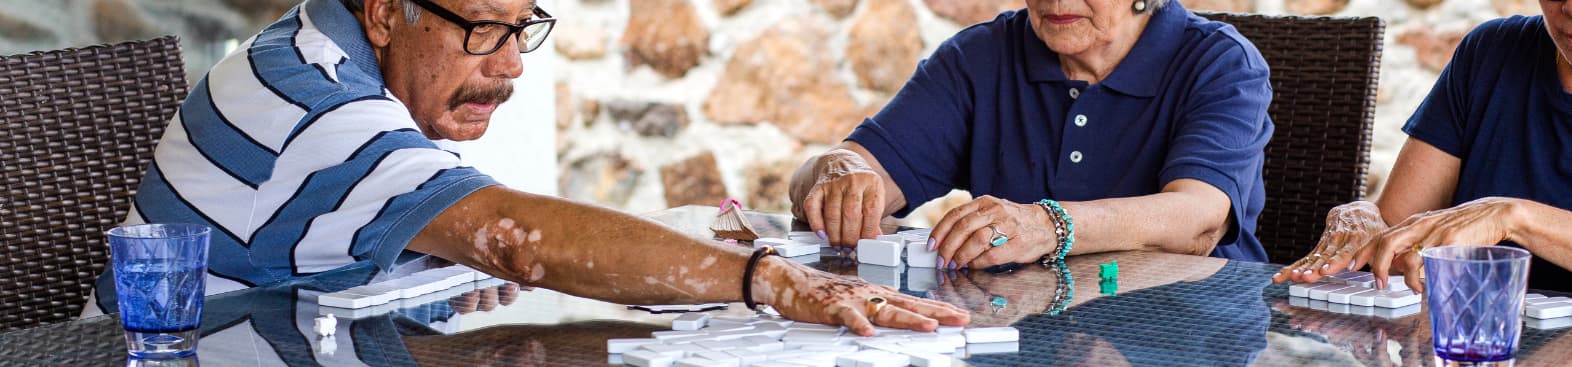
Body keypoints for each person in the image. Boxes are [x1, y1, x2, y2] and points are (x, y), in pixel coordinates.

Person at [83, 0, 968, 336]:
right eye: (481, 31)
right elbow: (518, 241)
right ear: (387, 13)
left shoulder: (339, 58)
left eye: (520, 29)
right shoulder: (316, 100)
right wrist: (765, 280)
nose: (508, 66)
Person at [789, 0, 1274, 269]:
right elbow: (853, 171)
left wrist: (1048, 226)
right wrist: (839, 171)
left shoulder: (1220, 63)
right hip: (1020, 323)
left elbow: (1198, 220)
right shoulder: (980, 56)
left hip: (1185, 327)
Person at [1272, 2, 1572, 293]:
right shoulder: (1492, 51)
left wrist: (1514, 217)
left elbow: (1507, 216)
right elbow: (1397, 230)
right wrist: (1367, 218)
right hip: (1463, 329)